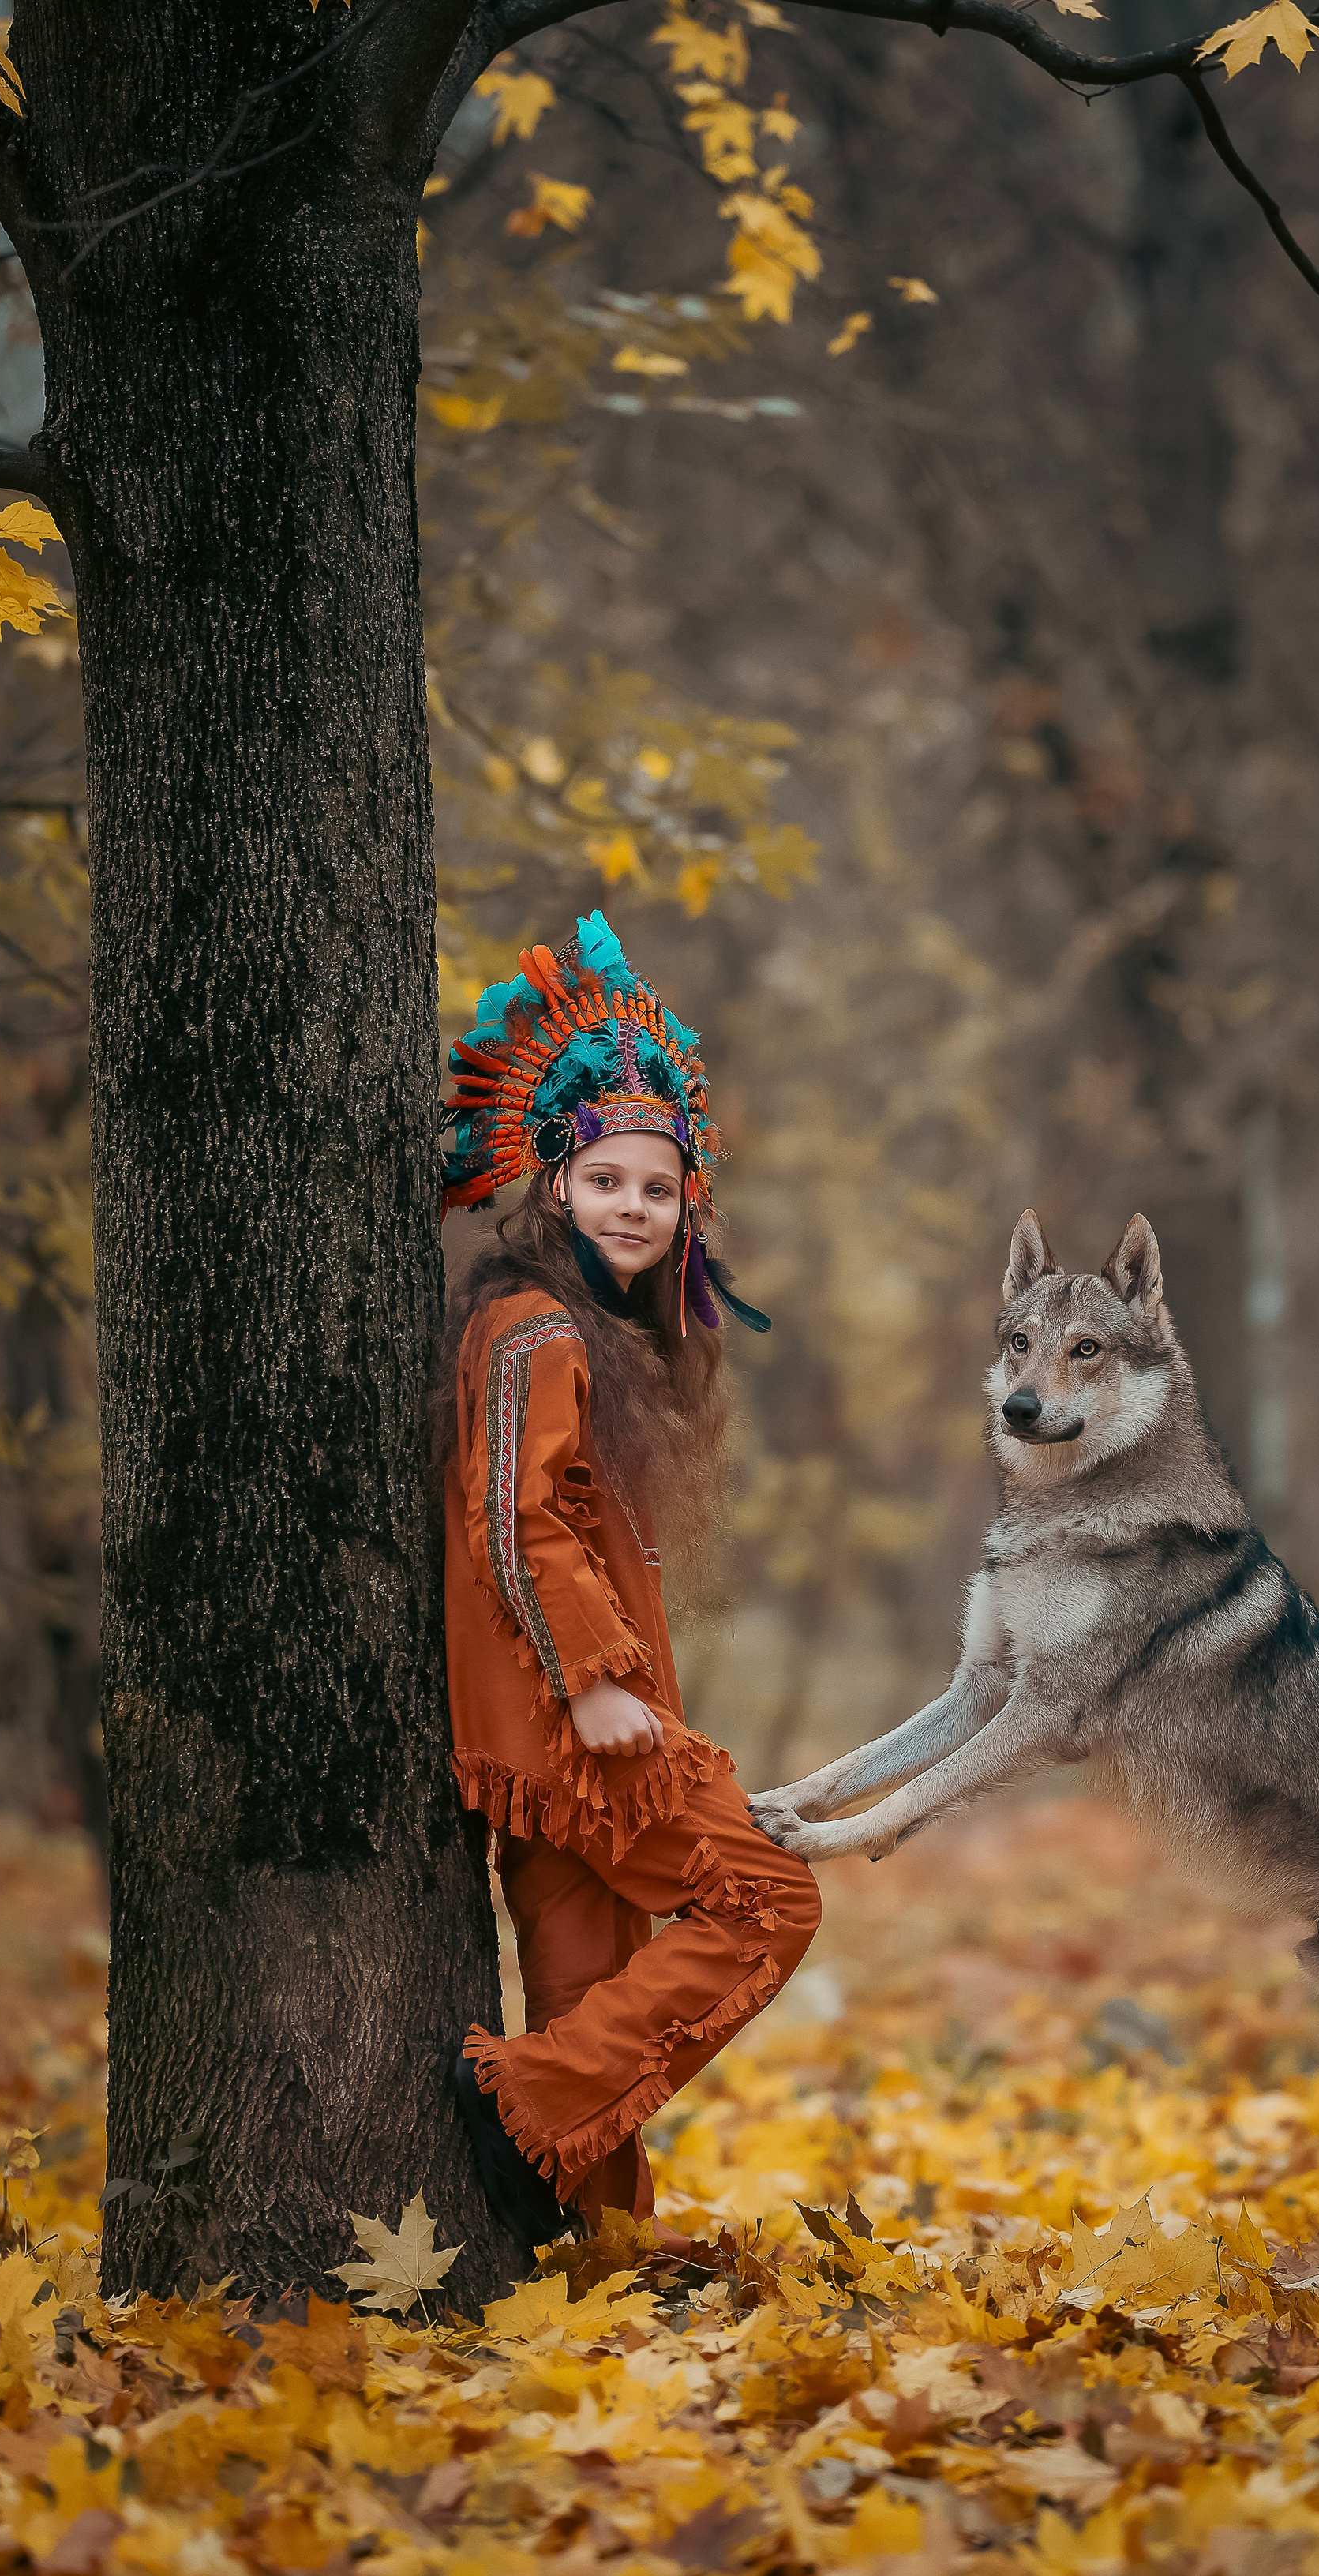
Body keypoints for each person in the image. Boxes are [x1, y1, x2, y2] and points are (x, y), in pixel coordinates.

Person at [438, 911, 821, 2254]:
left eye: (660, 1194)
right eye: (609, 1184)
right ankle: (514, 2107)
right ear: (556, 1185)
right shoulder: (532, 1326)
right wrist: (597, 1684)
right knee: (772, 1900)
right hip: (569, 1727)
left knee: (584, 1985)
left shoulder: (598, 1339)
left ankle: (597, 2249)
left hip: (570, 1726)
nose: (637, 1211)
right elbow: (514, 1518)